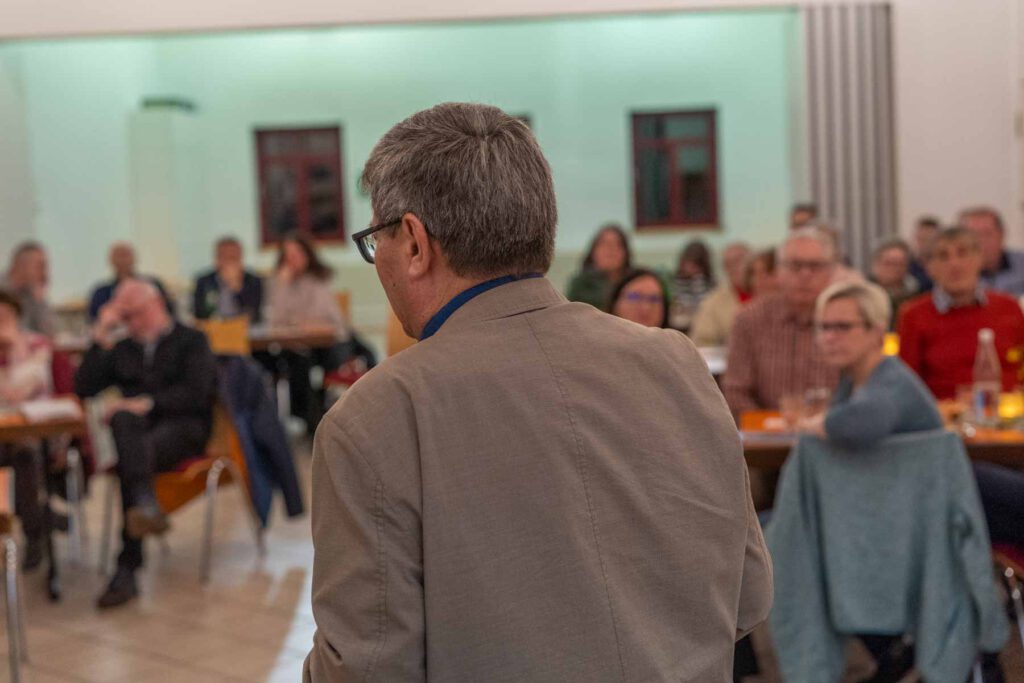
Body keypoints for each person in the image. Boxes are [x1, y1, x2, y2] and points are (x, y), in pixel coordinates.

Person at [305, 102, 772, 681]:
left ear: (416, 243)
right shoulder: (674, 362)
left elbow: (367, 669)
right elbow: (748, 595)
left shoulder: (376, 416)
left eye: (378, 240)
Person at [804, 279, 1012, 682]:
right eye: (823, 327)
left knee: (794, 539)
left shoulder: (890, 379)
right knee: (796, 534)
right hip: (890, 522)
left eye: (842, 327)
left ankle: (894, 650)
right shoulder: (853, 382)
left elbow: (861, 425)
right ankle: (893, 650)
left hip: (919, 529)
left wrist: (820, 424)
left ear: (876, 332)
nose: (829, 337)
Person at [75, 279, 216, 608]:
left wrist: (147, 403)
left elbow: (197, 395)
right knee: (125, 425)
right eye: (123, 316)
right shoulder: (124, 348)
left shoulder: (192, 340)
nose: (129, 322)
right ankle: (145, 507)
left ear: (156, 305)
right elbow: (84, 387)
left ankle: (127, 568)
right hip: (138, 437)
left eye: (133, 314)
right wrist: (101, 332)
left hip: (184, 429)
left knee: (131, 450)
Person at [722, 227, 840, 417]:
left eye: (815, 266)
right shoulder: (750, 319)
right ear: (778, 271)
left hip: (835, 430)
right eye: (795, 266)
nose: (805, 274)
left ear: (831, 271)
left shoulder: (849, 320)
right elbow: (736, 392)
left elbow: (865, 388)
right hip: (765, 432)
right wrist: (770, 425)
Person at [897, 226, 1024, 400]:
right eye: (943, 256)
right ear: (929, 267)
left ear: (979, 258)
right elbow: (906, 385)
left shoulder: (1009, 307)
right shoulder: (913, 315)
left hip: (1010, 411)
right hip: (944, 412)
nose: (954, 264)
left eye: (963, 253)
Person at [266, 233, 355, 432]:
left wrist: (298, 323)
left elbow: (323, 319)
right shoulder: (281, 282)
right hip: (300, 347)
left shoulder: (318, 280)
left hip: (330, 344)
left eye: (297, 254)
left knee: (317, 363)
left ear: (307, 255)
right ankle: (310, 419)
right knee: (296, 361)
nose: (293, 260)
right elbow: (276, 321)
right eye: (288, 256)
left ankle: (321, 416)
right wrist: (282, 285)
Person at [0, 290, 53, 570]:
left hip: (34, 433)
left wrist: (14, 350)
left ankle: (34, 532)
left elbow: (19, 392)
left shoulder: (36, 344)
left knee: (24, 454)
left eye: (5, 316)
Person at [87, 242, 174, 321]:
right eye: (118, 256)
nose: (122, 260)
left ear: (134, 258)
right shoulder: (101, 293)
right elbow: (94, 320)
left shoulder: (152, 284)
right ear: (111, 260)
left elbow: (169, 312)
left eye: (125, 255)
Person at [690, 241, 752, 346]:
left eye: (738, 260)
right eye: (727, 264)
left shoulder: (768, 294)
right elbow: (701, 341)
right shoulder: (712, 302)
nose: (733, 268)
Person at [192, 236, 264, 322]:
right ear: (217, 259)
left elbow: (254, 313)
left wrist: (237, 287)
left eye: (233, 257)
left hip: (243, 327)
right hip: (214, 327)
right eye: (224, 256)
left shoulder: (253, 281)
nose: (229, 262)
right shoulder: (204, 282)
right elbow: (198, 313)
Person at [960, 206, 1024, 297]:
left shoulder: (1021, 263)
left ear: (1002, 234)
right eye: (974, 235)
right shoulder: (956, 273)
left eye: (987, 234)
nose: (980, 241)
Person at [565, 223, 631, 310]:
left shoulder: (634, 283)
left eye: (618, 244)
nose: (611, 249)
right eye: (605, 244)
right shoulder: (580, 284)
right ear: (593, 251)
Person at [1, 241, 56, 336]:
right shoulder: (2, 289)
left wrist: (39, 300)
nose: (45, 273)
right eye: (40, 266)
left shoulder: (32, 293)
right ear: (22, 265)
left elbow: (50, 333)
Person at [868, 238, 919, 329]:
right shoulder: (864, 295)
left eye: (900, 264)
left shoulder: (916, 297)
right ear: (876, 264)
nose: (895, 269)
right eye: (889, 263)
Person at [669, 239, 715, 331]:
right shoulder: (676, 280)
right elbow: (676, 303)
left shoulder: (710, 282)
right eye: (687, 263)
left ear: (702, 266)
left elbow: (704, 305)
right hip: (679, 324)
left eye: (694, 265)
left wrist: (697, 280)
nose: (689, 268)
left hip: (702, 324)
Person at [908, 216, 939, 292]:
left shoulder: (945, 266)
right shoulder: (906, 267)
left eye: (929, 239)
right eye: (921, 239)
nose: (925, 244)